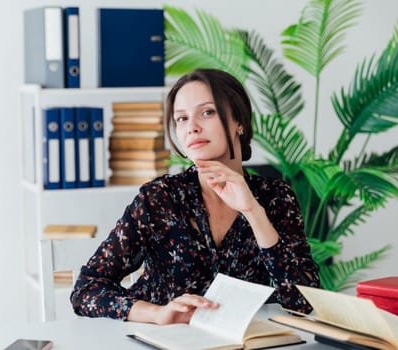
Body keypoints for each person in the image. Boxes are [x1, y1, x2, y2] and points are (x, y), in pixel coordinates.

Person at [70, 68, 321, 324]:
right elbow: (86, 288)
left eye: (207, 112)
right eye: (181, 119)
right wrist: (158, 314)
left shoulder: (275, 198)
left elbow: (302, 302)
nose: (192, 128)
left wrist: (254, 213)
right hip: (163, 340)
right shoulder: (158, 199)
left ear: (239, 121)